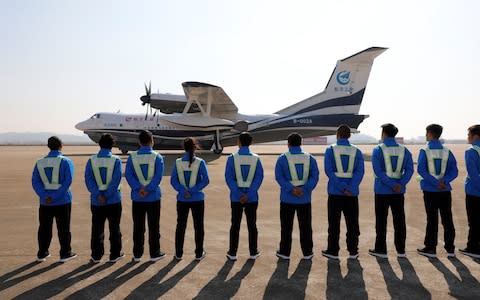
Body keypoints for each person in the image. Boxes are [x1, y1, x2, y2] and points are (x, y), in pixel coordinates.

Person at [368, 124, 414, 259]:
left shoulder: (378, 150)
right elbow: (410, 170)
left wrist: (391, 184)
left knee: (381, 221)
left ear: (384, 133)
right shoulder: (404, 150)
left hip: (382, 191)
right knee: (400, 221)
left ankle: (381, 249)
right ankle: (401, 250)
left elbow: (378, 171)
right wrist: (400, 184)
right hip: (398, 192)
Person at [322, 125, 364, 260]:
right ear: (349, 136)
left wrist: (341, 186)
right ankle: (353, 250)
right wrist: (350, 188)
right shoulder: (357, 151)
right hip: (351, 194)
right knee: (352, 222)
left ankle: (333, 250)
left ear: (337, 134)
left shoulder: (330, 150)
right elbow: (359, 172)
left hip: (335, 192)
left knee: (334, 223)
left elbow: (329, 171)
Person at [274, 133, 319, 260]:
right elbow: (314, 177)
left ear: (288, 144)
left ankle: (284, 252)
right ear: (301, 143)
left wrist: (291, 189)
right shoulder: (310, 158)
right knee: (305, 227)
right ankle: (307, 252)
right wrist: (304, 189)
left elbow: (279, 177)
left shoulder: (282, 158)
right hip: (304, 199)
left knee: (286, 227)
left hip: (287, 198)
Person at [32, 136, 77, 262]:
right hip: (62, 201)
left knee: (44, 228)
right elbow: (68, 181)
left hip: (45, 202)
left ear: (48, 146)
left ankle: (42, 253)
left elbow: (35, 181)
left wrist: (45, 196)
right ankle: (65, 253)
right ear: (61, 146)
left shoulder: (39, 162)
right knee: (64, 228)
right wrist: (55, 196)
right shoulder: (66, 161)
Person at [417, 124, 458, 258]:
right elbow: (454, 171)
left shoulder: (425, 151)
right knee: (447, 219)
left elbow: (421, 170)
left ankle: (430, 248)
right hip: (445, 190)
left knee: (432, 219)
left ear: (429, 133)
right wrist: (444, 182)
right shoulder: (447, 151)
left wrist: (435, 183)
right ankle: (450, 248)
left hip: (430, 190)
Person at [125, 130, 165, 262]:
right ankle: (154, 253)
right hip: (153, 197)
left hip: (137, 197)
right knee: (154, 226)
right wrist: (148, 189)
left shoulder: (132, 157)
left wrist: (138, 189)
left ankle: (137, 254)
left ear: (139, 142)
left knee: (138, 226)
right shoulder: (157, 157)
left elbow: (129, 176)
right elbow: (158, 177)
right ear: (152, 141)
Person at [84, 133, 124, 263]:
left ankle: (96, 255)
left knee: (97, 228)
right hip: (113, 200)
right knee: (114, 227)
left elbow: (88, 180)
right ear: (112, 145)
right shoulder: (116, 160)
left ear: (99, 144)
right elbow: (116, 180)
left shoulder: (91, 160)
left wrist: (98, 194)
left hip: (96, 201)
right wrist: (107, 195)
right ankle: (115, 254)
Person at [225, 132, 264, 261]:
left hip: (236, 198)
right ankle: (253, 251)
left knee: (235, 225)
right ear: (251, 143)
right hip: (252, 198)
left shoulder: (232, 158)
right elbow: (259, 178)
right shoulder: (256, 158)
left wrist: (239, 193)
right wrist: (249, 193)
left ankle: (232, 252)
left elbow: (229, 178)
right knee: (252, 225)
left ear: (239, 142)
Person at [171, 137, 210, 261]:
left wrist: (184, 191)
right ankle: (199, 253)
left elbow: (173, 181)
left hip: (182, 199)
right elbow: (206, 180)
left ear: (184, 147)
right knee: (198, 226)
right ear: (195, 147)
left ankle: (178, 253)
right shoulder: (200, 162)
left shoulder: (177, 162)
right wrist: (193, 191)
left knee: (180, 226)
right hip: (197, 198)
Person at [459, 125, 480, 259]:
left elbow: (473, 175)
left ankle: (473, 247)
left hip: (474, 192)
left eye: (468, 135)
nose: (467, 138)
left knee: (474, 221)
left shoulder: (471, 151)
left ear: (475, 136)